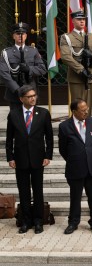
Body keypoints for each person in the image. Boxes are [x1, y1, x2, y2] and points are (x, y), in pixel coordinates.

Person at [5, 85, 53, 234]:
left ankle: (38, 221)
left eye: (34, 95)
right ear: (21, 99)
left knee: (38, 191)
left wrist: (47, 155)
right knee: (24, 191)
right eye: (29, 96)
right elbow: (9, 139)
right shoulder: (13, 114)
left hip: (38, 159)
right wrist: (10, 157)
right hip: (20, 160)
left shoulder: (43, 113)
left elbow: (49, 137)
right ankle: (25, 221)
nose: (33, 98)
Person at [58, 99, 92, 235]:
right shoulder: (64, 126)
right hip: (75, 168)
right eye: (82, 110)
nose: (86, 112)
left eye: (86, 109)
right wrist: (75, 159)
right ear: (74, 111)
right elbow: (63, 149)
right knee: (75, 197)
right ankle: (73, 222)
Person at [60, 9, 92, 116]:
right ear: (73, 21)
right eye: (79, 19)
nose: (82, 21)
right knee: (77, 106)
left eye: (83, 19)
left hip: (90, 77)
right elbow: (66, 57)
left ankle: (87, 127)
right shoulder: (67, 37)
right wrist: (81, 70)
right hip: (76, 77)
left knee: (88, 107)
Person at [0, 22, 46, 110]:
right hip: (14, 92)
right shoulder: (6, 53)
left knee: (31, 120)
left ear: (26, 36)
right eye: (17, 34)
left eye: (23, 33)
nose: (20, 36)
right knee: (16, 119)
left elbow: (42, 69)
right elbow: (4, 73)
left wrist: (29, 69)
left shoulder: (33, 51)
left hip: (31, 91)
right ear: (13, 36)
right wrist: (18, 89)